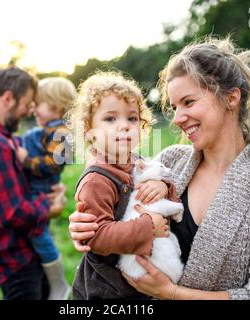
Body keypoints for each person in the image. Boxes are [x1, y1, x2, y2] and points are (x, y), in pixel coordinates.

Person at [68, 37, 250, 300]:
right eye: (174, 107)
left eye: (189, 102)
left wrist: (172, 293)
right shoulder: (170, 161)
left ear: (231, 98)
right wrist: (86, 228)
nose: (178, 118)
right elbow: (117, 212)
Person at [66, 71, 179, 299]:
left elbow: (168, 201)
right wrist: (149, 227)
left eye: (132, 118)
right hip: (107, 290)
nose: (124, 126)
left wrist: (163, 187)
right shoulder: (96, 181)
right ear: (89, 131)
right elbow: (97, 237)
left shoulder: (139, 163)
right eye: (110, 119)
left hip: (138, 282)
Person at [0, 67, 64, 300]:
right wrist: (51, 205)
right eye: (26, 104)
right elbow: (13, 213)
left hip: (23, 251)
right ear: (8, 98)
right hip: (15, 259)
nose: (29, 111)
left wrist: (51, 187)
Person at [15, 77, 76, 300]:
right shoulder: (52, 130)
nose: (33, 110)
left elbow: (58, 163)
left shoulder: (59, 131)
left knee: (40, 234)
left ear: (56, 106)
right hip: (41, 186)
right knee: (39, 233)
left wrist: (26, 161)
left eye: (37, 104)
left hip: (42, 188)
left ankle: (59, 284)